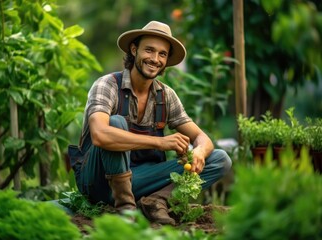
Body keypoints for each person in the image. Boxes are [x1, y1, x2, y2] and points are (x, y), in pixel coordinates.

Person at [70, 20, 232, 226]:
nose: (155, 59)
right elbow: (100, 134)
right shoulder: (107, 85)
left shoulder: (165, 95)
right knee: (116, 123)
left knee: (220, 159)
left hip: (140, 180)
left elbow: (202, 138)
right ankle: (126, 210)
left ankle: (156, 200)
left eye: (162, 54)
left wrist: (199, 152)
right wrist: (160, 143)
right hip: (100, 182)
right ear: (134, 49)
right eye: (149, 50)